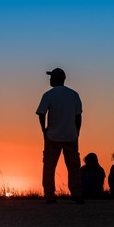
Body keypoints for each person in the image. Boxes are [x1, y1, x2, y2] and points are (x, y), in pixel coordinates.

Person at [36, 68, 84, 204]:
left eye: (51, 77)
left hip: (53, 136)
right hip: (71, 135)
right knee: (73, 167)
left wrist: (43, 130)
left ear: (57, 79)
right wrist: (77, 132)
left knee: (49, 167)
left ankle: (50, 195)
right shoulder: (74, 94)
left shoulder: (48, 94)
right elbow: (78, 116)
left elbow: (41, 113)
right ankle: (77, 194)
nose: (50, 79)